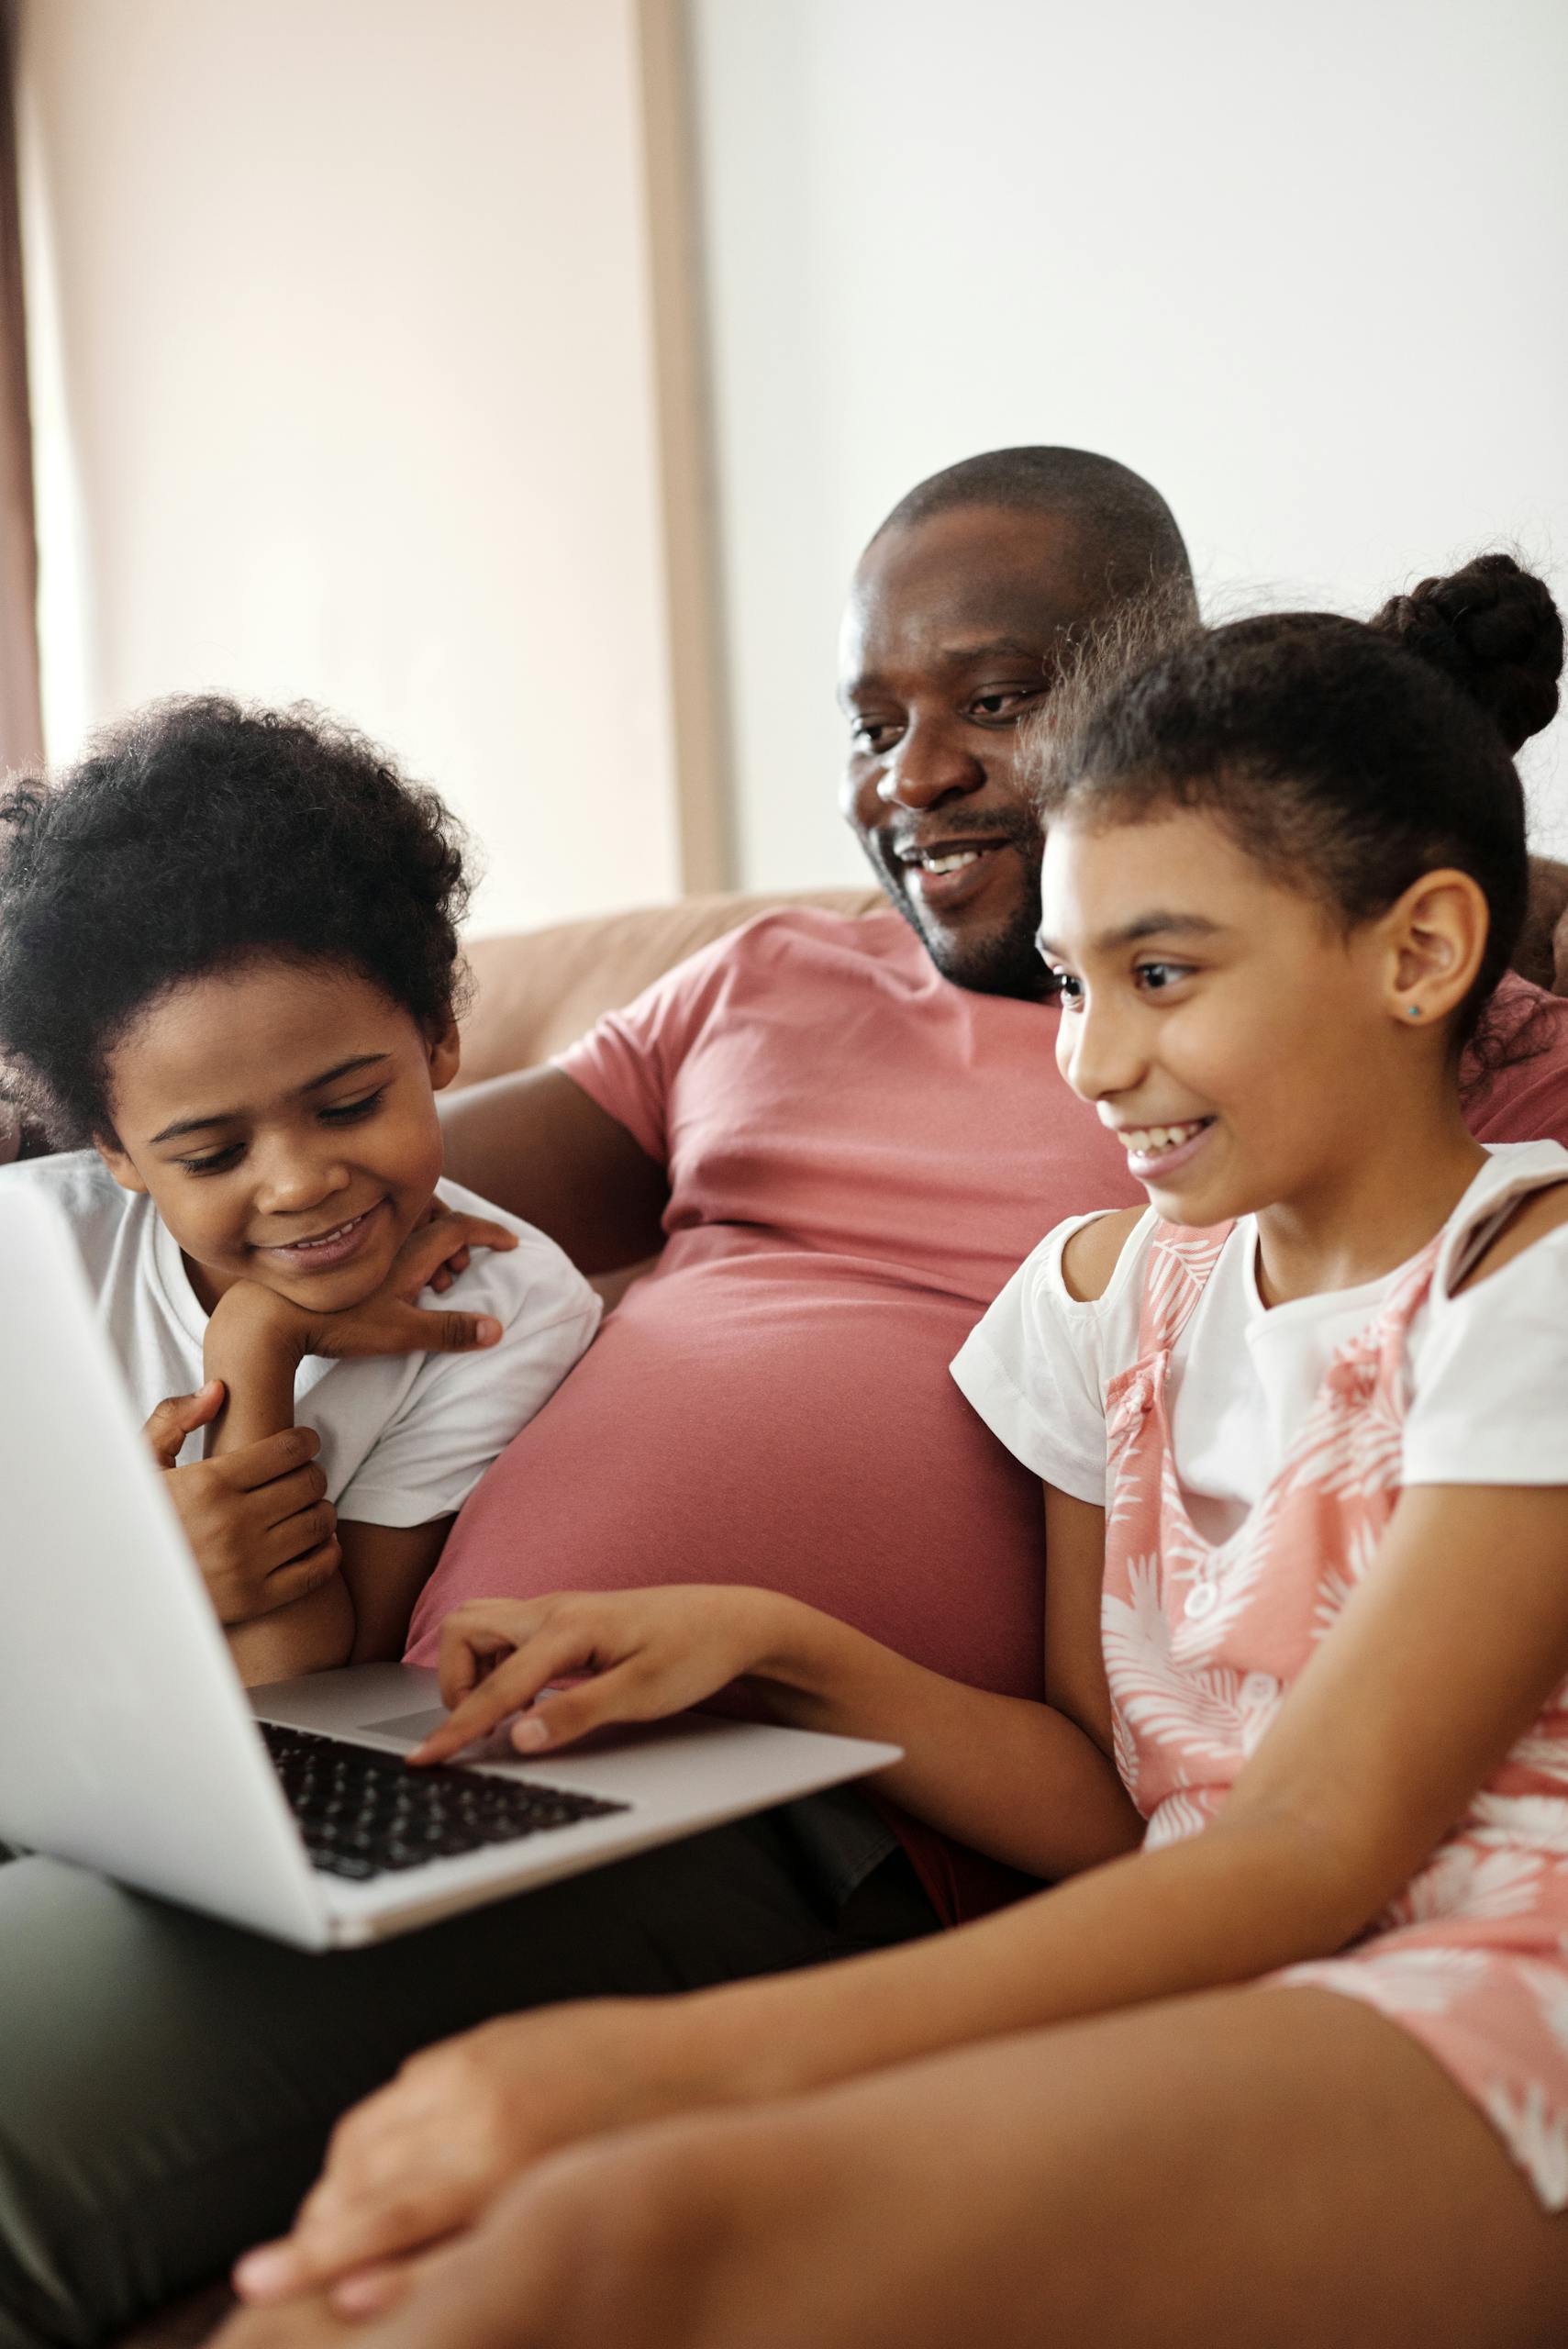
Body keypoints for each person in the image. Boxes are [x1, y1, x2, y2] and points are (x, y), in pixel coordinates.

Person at [2, 453, 1567, 2348]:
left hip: (874, 1848)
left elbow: (1297, 1833)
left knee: (552, 2228)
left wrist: (662, 2056)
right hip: (505, 1729)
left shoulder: (1448, 1132)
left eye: (994, 703)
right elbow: (309, 1177)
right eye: (869, 720)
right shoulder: (1010, 1214)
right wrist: (760, 1635)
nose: (910, 773)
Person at [0, 697, 600, 1678]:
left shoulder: (504, 1310)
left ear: (438, 1036)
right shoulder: (29, 1259)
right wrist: (124, 1574)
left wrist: (257, 1340)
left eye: (350, 1104)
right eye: (210, 1156)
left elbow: (303, 1689)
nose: (298, 1183)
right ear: (117, 1150)